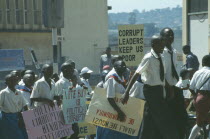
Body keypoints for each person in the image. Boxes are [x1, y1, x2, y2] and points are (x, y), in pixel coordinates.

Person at [123, 35, 179, 139]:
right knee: (164, 117)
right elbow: (137, 74)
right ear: (153, 45)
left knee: (149, 119)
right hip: (151, 90)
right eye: (160, 45)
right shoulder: (148, 57)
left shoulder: (161, 57)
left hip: (159, 90)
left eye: (163, 45)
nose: (163, 47)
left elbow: (161, 77)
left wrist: (169, 88)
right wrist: (127, 92)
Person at [96, 60, 138, 139]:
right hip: (112, 114)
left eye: (125, 65)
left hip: (117, 115)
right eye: (121, 66)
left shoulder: (120, 77)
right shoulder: (112, 78)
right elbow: (109, 97)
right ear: (115, 67)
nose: (124, 67)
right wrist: (119, 112)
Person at [161, 27, 188, 138]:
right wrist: (169, 89)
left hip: (176, 88)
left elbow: (177, 71)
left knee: (182, 117)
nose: (170, 37)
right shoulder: (161, 53)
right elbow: (161, 74)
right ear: (162, 37)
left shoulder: (175, 52)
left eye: (172, 35)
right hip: (165, 90)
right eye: (167, 35)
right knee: (168, 119)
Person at [54, 63, 79, 139]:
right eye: (71, 70)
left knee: (75, 131)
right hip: (64, 111)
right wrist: (73, 86)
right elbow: (61, 97)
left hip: (73, 110)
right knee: (64, 133)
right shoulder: (60, 83)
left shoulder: (71, 81)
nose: (72, 72)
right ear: (65, 71)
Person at [188, 55, 210, 139]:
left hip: (198, 98)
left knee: (199, 123)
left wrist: (195, 97)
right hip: (208, 98)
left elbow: (191, 87)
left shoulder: (197, 72)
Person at [0, 74, 28, 139]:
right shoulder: (3, 93)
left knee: (24, 134)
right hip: (7, 117)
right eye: (10, 80)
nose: (13, 82)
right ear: (6, 82)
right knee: (13, 135)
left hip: (18, 116)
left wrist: (24, 117)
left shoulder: (18, 92)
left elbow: (25, 105)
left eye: (14, 80)